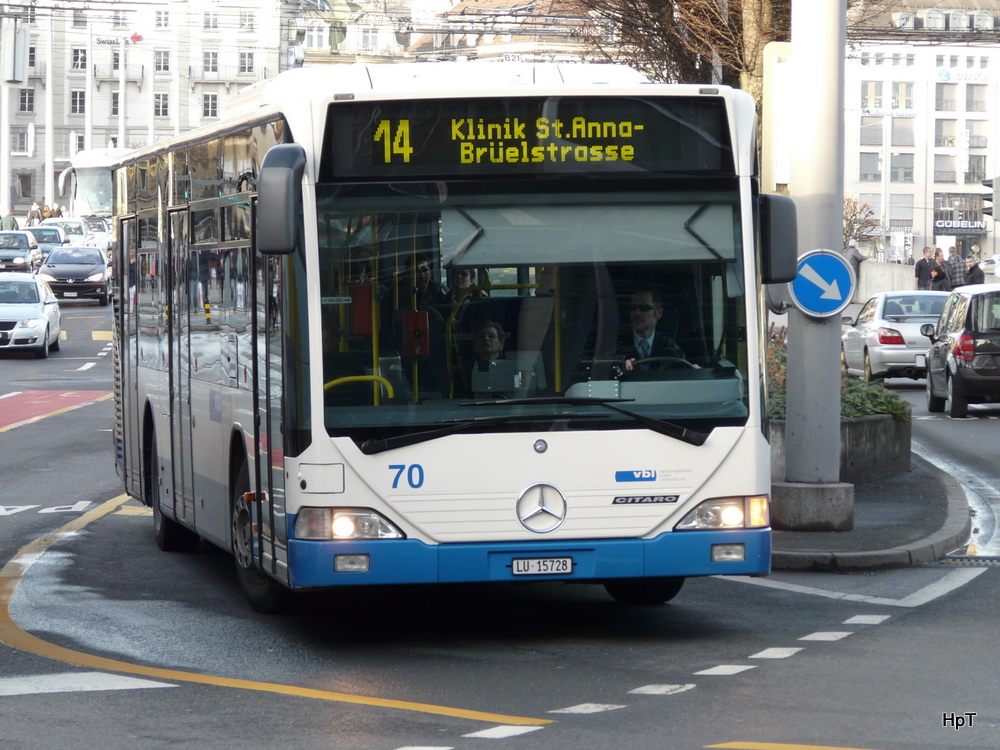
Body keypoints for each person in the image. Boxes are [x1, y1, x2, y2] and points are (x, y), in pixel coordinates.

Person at [618, 289, 697, 371]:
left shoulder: (670, 349)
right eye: (632, 308)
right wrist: (621, 367)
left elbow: (684, 374)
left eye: (644, 307)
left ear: (658, 313)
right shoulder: (617, 347)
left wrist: (694, 371)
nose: (637, 312)